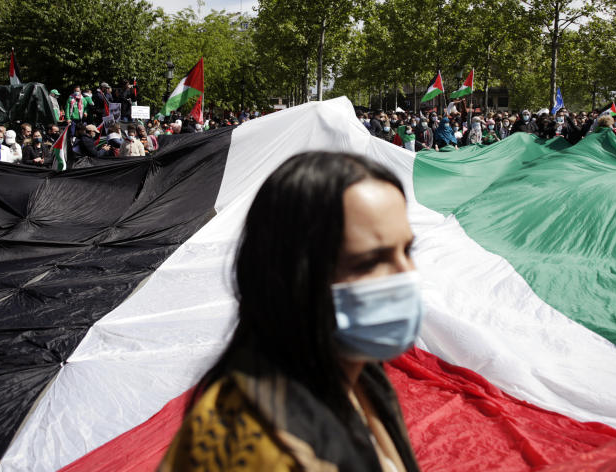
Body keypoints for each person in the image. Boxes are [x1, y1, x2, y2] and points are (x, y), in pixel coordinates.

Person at [160, 152, 421, 472]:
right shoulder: (252, 447)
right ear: (293, 278)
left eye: (407, 250)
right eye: (370, 262)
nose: (407, 274)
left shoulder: (360, 376)